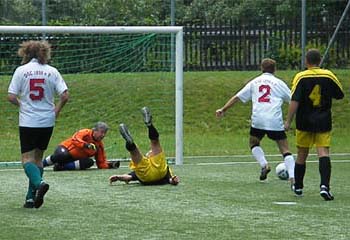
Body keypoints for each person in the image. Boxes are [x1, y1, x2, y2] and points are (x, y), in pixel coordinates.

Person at [7, 40, 69, 208]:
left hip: (28, 120)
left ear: (26, 53)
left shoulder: (21, 71)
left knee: (27, 159)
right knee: (38, 158)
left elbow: (11, 96)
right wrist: (56, 111)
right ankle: (30, 197)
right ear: (44, 53)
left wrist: (22, 105)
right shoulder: (52, 71)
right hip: (47, 121)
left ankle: (39, 183)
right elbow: (64, 95)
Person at [216, 58, 295, 185]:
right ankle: (292, 178)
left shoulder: (255, 82)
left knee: (253, 142)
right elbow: (293, 100)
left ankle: (264, 165)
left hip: (258, 120)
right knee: (285, 149)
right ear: (275, 69)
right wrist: (288, 121)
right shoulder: (279, 83)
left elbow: (237, 97)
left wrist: (223, 109)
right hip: (274, 120)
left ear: (261, 68)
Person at [284, 49, 344, 201]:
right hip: (323, 119)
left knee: (302, 154)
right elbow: (339, 94)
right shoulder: (328, 75)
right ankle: (324, 186)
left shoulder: (300, 76)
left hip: (304, 120)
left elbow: (294, 100)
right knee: (323, 152)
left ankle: (298, 186)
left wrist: (288, 120)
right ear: (320, 60)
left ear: (306, 61)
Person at [109, 107, 179, 186]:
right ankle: (149, 125)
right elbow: (171, 180)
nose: (149, 152)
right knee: (153, 144)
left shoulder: (142, 167)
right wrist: (174, 180)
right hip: (159, 172)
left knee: (136, 152)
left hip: (146, 177)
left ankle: (130, 142)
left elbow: (128, 177)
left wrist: (119, 177)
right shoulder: (166, 169)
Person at [42, 122, 120, 171]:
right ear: (95, 130)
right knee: (61, 155)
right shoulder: (85, 132)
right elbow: (75, 139)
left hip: (74, 159)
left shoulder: (99, 145)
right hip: (65, 149)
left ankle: (61, 167)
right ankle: (41, 164)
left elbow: (101, 162)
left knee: (89, 162)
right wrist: (86, 145)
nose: (103, 135)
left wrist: (109, 165)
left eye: (105, 133)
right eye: (101, 132)